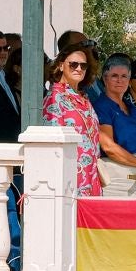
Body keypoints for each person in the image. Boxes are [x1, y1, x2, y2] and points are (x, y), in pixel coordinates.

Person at [94, 54, 136, 197]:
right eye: (114, 76)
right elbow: (108, 147)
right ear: (105, 79)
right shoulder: (102, 106)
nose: (119, 80)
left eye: (124, 76)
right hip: (117, 181)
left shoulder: (131, 107)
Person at [43, 42, 101, 198]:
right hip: (69, 177)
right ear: (61, 66)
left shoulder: (83, 97)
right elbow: (53, 142)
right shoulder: (55, 97)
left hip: (91, 176)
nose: (79, 69)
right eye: (73, 64)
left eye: (83, 65)